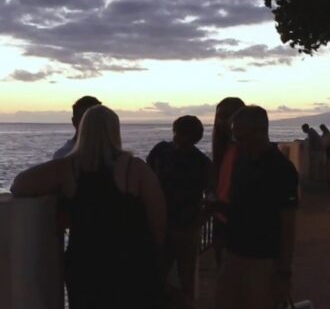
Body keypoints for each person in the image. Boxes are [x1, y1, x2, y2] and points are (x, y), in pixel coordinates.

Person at [11, 105, 166, 309]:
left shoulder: (68, 169)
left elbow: (19, 184)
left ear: (82, 130)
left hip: (86, 264)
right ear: (114, 131)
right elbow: (158, 222)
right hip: (132, 262)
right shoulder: (134, 169)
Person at [215, 106, 298, 309]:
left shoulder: (281, 170)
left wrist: (283, 273)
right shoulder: (242, 161)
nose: (238, 144)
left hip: (262, 261)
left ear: (260, 132)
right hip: (234, 253)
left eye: (241, 138)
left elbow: (288, 225)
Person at [147, 115, 214, 307]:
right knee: (156, 274)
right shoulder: (161, 151)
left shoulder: (201, 162)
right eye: (177, 132)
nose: (177, 137)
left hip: (184, 228)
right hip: (162, 223)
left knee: (184, 278)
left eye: (182, 134)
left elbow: (211, 195)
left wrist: (198, 222)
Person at [211, 97, 245, 267]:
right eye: (219, 116)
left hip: (237, 222)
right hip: (221, 219)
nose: (221, 122)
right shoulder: (225, 150)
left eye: (226, 116)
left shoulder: (244, 152)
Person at [53, 95, 102, 159]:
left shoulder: (110, 154)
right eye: (85, 119)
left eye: (96, 118)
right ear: (74, 121)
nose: (91, 122)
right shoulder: (63, 155)